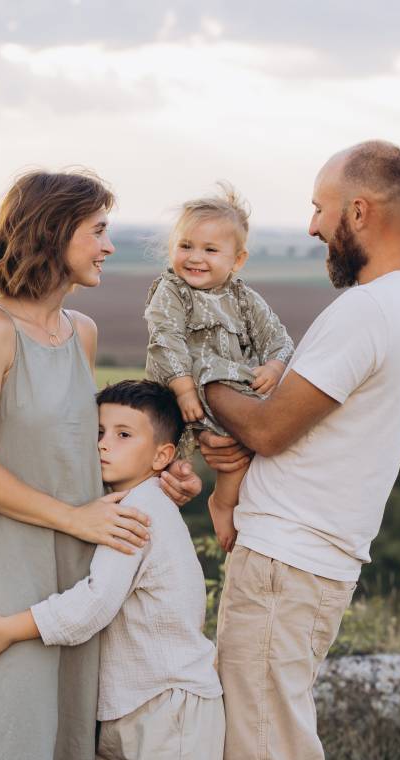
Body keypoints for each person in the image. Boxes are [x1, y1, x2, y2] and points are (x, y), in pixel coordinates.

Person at [0, 170, 203, 760]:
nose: (108, 246)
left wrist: (160, 483)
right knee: (15, 733)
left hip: (83, 570)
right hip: (19, 567)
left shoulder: (82, 333)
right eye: (98, 231)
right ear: (53, 232)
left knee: (67, 739)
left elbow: (85, 449)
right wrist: (59, 524)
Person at [197, 140, 400, 760]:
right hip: (305, 560)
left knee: (261, 747)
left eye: (319, 209)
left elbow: (271, 430)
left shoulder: (368, 311)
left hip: (287, 562)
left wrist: (202, 373)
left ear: (358, 211)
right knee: (269, 736)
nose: (312, 227)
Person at [0, 379, 225, 760]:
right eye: (98, 432)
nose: (103, 444)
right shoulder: (108, 505)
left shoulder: (139, 512)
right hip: (129, 707)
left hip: (170, 706)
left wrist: (10, 629)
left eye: (123, 435)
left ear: (160, 456)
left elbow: (94, 602)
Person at [144, 182, 294, 552]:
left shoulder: (243, 298)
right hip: (179, 390)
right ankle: (153, 522)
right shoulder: (172, 290)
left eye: (211, 250)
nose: (196, 258)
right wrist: (182, 387)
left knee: (236, 450)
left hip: (225, 393)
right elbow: (166, 337)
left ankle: (223, 502)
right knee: (162, 461)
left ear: (236, 259)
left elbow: (277, 336)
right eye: (186, 246)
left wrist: (274, 367)